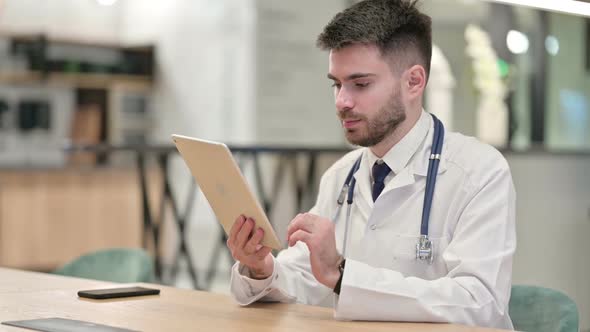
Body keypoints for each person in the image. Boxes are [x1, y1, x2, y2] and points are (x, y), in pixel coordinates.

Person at [226, 0, 516, 329]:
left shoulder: (479, 173)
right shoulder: (342, 176)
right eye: (336, 84)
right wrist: (261, 267)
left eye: (360, 84)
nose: (341, 102)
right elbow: (303, 274)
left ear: (414, 82)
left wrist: (341, 273)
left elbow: (480, 304)